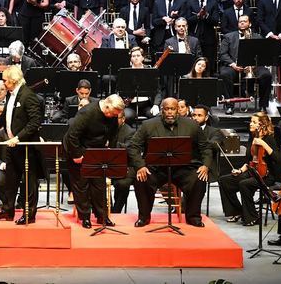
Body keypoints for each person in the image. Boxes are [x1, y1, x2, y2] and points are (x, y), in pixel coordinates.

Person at [128, 97, 212, 228]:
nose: (170, 112)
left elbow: (205, 147)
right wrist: (140, 166)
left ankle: (193, 217)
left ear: (178, 110)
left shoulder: (192, 125)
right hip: (156, 168)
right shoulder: (148, 125)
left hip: (184, 167)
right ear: (162, 110)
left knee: (199, 179)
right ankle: (143, 217)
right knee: (141, 179)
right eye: (166, 109)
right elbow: (133, 146)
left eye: (173, 109)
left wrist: (205, 165)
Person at [0, 66, 42, 224]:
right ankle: (7, 210)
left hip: (26, 146)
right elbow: (5, 117)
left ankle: (29, 214)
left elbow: (34, 122)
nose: (3, 84)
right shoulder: (12, 95)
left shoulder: (28, 96)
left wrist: (18, 138)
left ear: (13, 80)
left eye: (5, 80)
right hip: (12, 146)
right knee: (10, 180)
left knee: (30, 182)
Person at [64, 94, 125, 228]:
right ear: (107, 105)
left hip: (97, 151)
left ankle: (102, 216)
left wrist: (110, 152)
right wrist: (77, 155)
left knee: (99, 186)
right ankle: (85, 217)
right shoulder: (87, 112)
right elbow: (72, 136)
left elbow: (113, 135)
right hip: (79, 149)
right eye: (112, 113)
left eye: (115, 115)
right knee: (82, 186)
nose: (112, 116)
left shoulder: (113, 115)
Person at [218, 112, 281, 226]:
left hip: (266, 176)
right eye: (251, 121)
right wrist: (240, 170)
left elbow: (278, 159)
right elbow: (249, 160)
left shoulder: (269, 139)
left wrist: (263, 143)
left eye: (254, 122)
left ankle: (253, 217)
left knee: (245, 184)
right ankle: (237, 211)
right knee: (224, 180)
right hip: (252, 171)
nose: (251, 124)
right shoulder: (252, 136)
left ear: (261, 125)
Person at [219, 15, 272, 115]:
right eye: (240, 22)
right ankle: (229, 105)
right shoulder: (228, 36)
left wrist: (253, 66)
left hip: (254, 66)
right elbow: (223, 54)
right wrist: (233, 64)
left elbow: (262, 54)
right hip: (235, 66)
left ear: (250, 23)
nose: (242, 23)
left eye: (244, 21)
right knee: (225, 74)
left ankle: (263, 106)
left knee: (266, 75)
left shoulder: (257, 37)